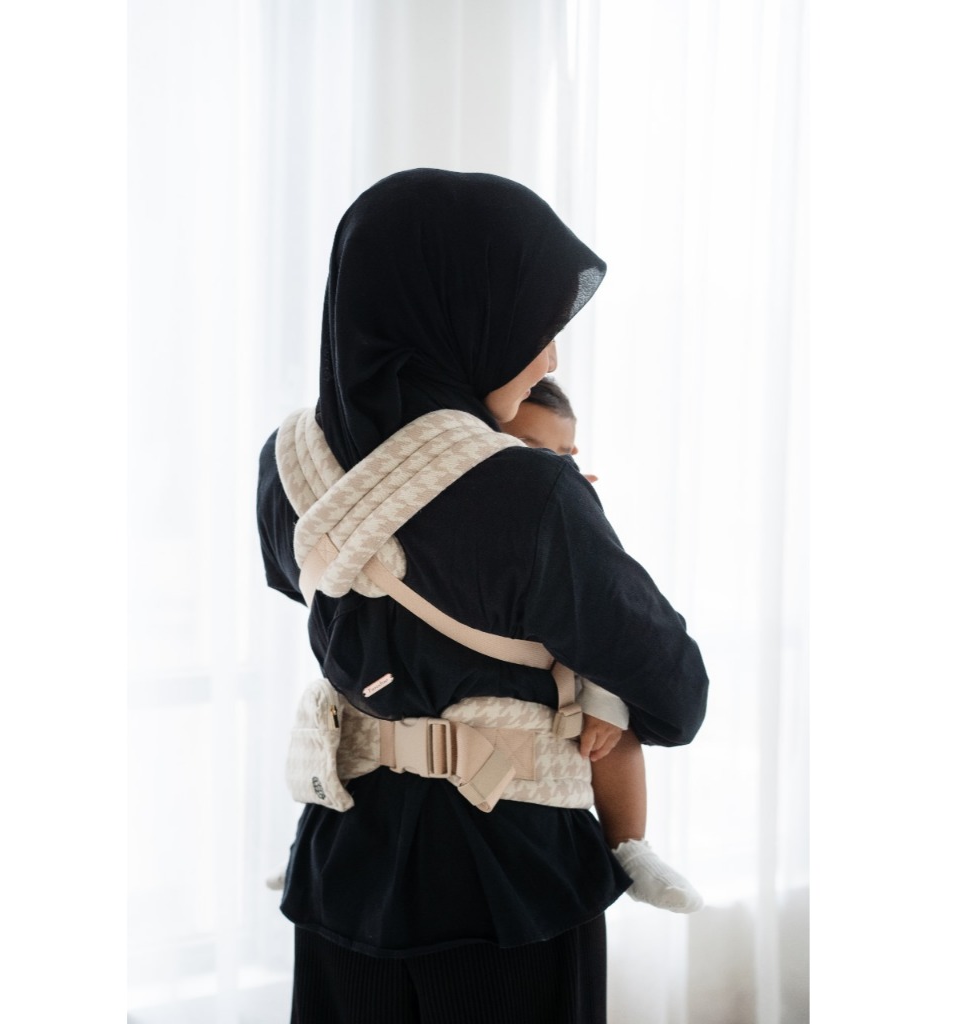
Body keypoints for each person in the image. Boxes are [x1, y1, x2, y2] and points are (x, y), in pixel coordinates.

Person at [257, 169, 709, 1024]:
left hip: (343, 861)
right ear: (464, 315)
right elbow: (676, 693)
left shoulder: (286, 466)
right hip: (509, 876)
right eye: (536, 328)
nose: (549, 359)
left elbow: (316, 596)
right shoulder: (532, 492)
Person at [501, 377, 703, 913]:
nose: (551, 468)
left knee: (615, 718)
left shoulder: (568, 504)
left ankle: (631, 846)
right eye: (530, 451)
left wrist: (607, 701)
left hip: (583, 646)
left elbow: (612, 609)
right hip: (519, 647)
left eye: (563, 457)